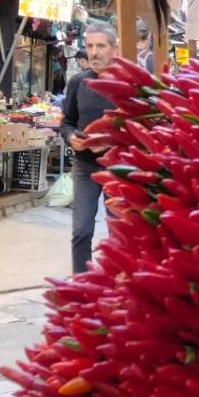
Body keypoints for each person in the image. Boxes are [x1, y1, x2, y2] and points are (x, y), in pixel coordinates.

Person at [62, 22, 118, 274]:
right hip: (85, 166)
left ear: (114, 49)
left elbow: (142, 128)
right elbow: (67, 122)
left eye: (101, 46)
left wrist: (112, 141)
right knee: (81, 231)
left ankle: (117, 284)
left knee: (118, 232)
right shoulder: (78, 82)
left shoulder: (127, 83)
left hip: (117, 169)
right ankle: (81, 284)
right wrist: (70, 137)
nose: (94, 52)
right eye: (90, 46)